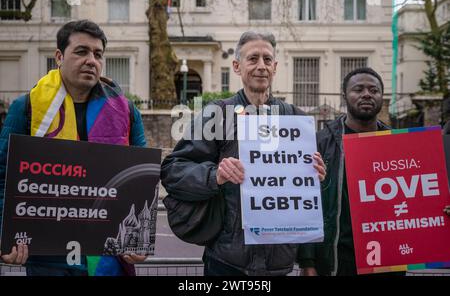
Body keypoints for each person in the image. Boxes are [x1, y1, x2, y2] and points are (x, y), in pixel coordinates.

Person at [161, 31, 326, 276]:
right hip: (227, 261)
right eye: (253, 59)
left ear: (275, 67)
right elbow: (173, 170)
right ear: (237, 66)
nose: (261, 66)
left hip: (279, 263)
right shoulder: (217, 114)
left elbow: (309, 200)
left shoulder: (296, 119)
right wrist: (215, 175)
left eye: (267, 60)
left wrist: (318, 176)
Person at [0, 20, 147, 276]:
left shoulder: (127, 111)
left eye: (98, 54)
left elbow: (142, 178)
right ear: (59, 56)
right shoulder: (26, 108)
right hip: (48, 258)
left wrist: (139, 240)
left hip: (108, 258)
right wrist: (5, 235)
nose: (91, 60)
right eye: (81, 51)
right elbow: (3, 175)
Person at [298, 67, 399, 276]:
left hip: (389, 260)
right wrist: (307, 262)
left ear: (382, 97)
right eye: (358, 89)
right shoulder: (321, 142)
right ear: (345, 96)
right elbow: (306, 202)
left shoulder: (399, 144)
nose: (366, 94)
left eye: (374, 90)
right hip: (337, 259)